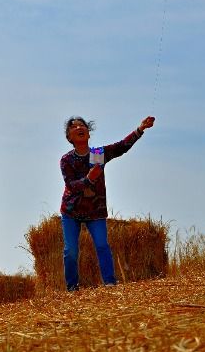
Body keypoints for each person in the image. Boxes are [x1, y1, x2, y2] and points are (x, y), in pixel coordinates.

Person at [60, 115, 155, 291]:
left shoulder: (97, 155)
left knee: (102, 245)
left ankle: (110, 284)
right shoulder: (67, 160)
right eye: (74, 127)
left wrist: (140, 129)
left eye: (83, 126)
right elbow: (71, 186)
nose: (79, 128)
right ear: (69, 137)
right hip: (71, 212)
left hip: (95, 210)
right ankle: (72, 289)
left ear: (88, 134)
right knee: (71, 251)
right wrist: (88, 180)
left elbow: (121, 147)